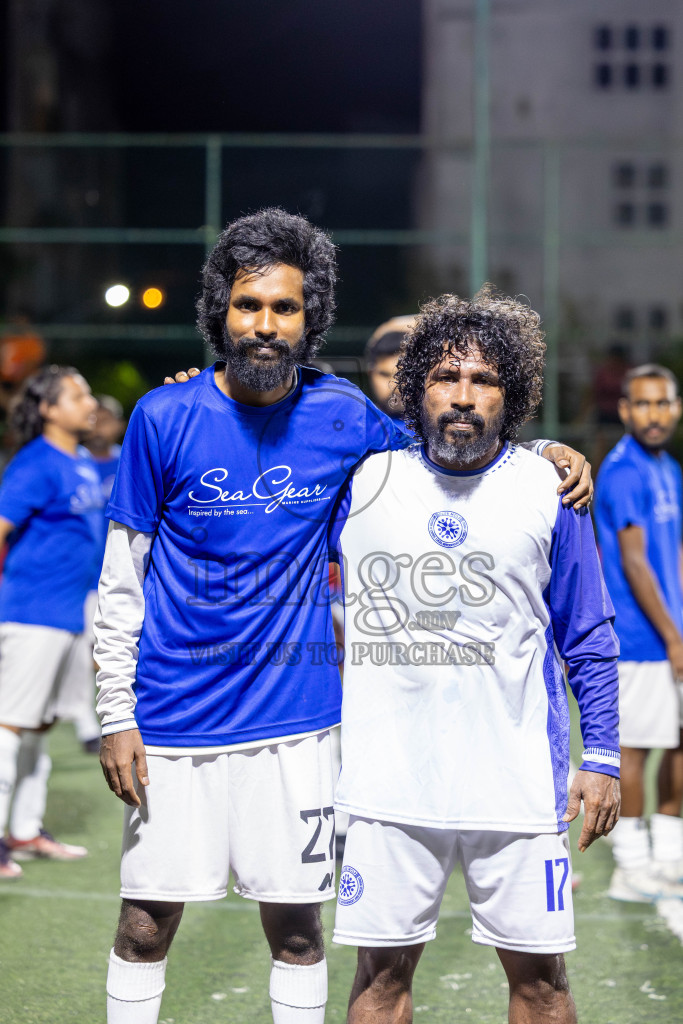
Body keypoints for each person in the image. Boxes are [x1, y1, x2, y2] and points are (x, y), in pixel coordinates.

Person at [95, 207, 592, 1024]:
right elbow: (120, 583)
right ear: (220, 309)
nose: (265, 324)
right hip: (172, 720)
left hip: (300, 725)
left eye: (284, 308)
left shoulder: (346, 418)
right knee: (145, 925)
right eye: (248, 305)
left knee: (298, 934)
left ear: (309, 318)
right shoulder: (163, 417)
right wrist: (116, 715)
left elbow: (451, 445)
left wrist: (544, 454)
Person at [329, 287, 621, 1024]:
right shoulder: (362, 480)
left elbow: (585, 634)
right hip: (387, 781)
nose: (463, 396)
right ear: (414, 385)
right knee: (379, 981)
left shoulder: (550, 489)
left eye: (484, 380)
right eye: (445, 377)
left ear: (511, 393)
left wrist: (604, 757)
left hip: (517, 780)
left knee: (543, 985)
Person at [0, 365, 101, 879]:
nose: (88, 402)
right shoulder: (35, 463)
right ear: (48, 409)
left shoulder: (80, 459)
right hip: (31, 612)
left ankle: (23, 831)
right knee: (9, 723)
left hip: (67, 613)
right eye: (77, 394)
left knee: (37, 726)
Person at [594, 364, 683, 903]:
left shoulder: (668, 466)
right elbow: (635, 563)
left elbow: (672, 556)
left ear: (676, 408)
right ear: (625, 410)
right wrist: (673, 638)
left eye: (663, 403)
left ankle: (670, 855)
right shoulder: (623, 470)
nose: (654, 414)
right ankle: (630, 862)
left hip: (671, 634)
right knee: (636, 750)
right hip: (640, 639)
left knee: (675, 745)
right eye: (642, 404)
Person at [68, 395, 126, 754]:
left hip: (124, 573)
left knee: (114, 648)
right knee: (82, 648)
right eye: (95, 417)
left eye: (107, 419)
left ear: (118, 425)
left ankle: (115, 715)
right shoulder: (77, 463)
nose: (100, 425)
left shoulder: (129, 460)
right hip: (83, 577)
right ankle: (85, 721)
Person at [364, 315, 416, 427]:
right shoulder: (358, 424)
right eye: (384, 374)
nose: (394, 386)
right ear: (370, 373)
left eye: (404, 375)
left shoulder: (437, 427)